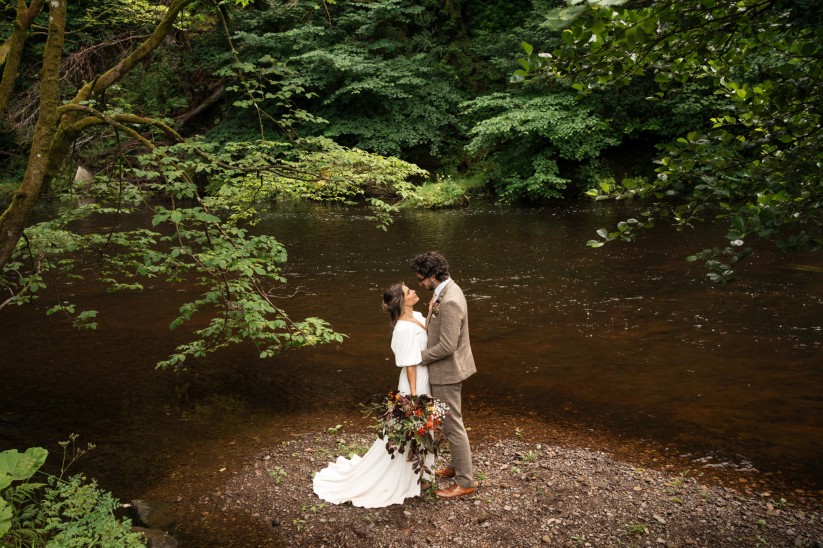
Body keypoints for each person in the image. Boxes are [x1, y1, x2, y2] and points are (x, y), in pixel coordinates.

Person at [312, 283, 433, 508]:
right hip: (414, 382)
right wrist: (415, 398)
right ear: (401, 301)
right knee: (408, 428)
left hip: (426, 376)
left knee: (424, 427)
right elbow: (409, 364)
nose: (414, 292)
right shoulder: (403, 328)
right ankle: (406, 476)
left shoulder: (416, 314)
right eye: (409, 292)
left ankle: (422, 474)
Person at [411, 251, 477, 498]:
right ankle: (456, 467)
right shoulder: (446, 291)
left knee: (453, 427)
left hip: (448, 372)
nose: (421, 284)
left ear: (434, 275)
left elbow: (447, 346)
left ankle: (465, 481)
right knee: (449, 424)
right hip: (448, 369)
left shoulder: (449, 300)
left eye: (422, 279)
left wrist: (417, 357)